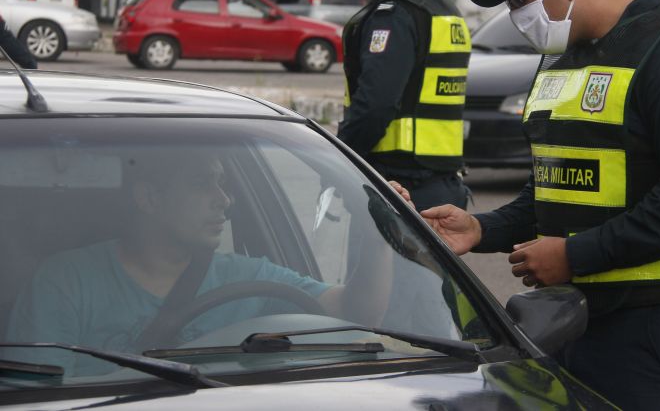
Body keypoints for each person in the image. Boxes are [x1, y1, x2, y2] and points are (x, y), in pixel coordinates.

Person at [419, 0, 660, 410]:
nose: (516, 12)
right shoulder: (568, 57)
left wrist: (574, 255)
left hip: (657, 330)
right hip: (569, 323)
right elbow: (556, 185)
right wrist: (482, 229)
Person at [6, 149, 391, 375]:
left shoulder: (250, 276)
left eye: (222, 183)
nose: (224, 199)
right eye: (200, 183)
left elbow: (355, 310)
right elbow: (38, 396)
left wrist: (378, 237)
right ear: (150, 200)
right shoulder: (65, 282)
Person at [335, 0, 472, 211]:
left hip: (399, 185)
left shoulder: (393, 16)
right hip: (444, 181)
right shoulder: (443, 9)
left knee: (373, 261)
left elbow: (376, 103)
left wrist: (338, 155)